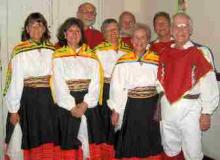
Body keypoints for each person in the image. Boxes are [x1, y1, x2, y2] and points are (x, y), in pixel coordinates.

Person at [157, 12, 219, 160]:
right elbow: (159, 81)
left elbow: (209, 84)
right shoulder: (165, 53)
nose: (181, 30)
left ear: (190, 30)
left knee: (193, 151)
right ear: (171, 30)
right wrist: (163, 99)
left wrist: (206, 113)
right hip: (168, 109)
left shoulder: (200, 52)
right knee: (169, 147)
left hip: (191, 109)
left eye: (185, 26)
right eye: (177, 26)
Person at [4, 12, 56, 160]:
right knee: (29, 136)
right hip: (28, 100)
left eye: (39, 26)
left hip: (48, 101)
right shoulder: (20, 50)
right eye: (32, 26)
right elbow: (14, 81)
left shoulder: (52, 50)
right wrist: (14, 110)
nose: (36, 29)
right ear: (27, 29)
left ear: (44, 28)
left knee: (48, 136)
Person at [52, 17, 105, 160]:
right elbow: (58, 82)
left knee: (89, 144)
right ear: (64, 34)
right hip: (67, 106)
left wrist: (86, 104)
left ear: (82, 34)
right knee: (70, 144)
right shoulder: (57, 56)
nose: (74, 34)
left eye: (77, 31)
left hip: (88, 105)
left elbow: (96, 82)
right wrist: (72, 107)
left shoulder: (91, 56)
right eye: (70, 31)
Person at [108, 23, 163, 159]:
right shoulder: (123, 62)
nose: (139, 41)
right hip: (132, 105)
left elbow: (162, 84)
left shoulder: (157, 60)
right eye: (136, 38)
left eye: (143, 37)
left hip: (151, 106)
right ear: (131, 41)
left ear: (148, 40)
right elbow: (117, 87)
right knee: (131, 138)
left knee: (149, 137)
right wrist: (116, 110)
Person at [94, 18, 131, 159]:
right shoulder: (97, 51)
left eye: (115, 29)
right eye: (109, 30)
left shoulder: (128, 50)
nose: (113, 33)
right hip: (106, 90)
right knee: (107, 123)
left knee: (123, 123)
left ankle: (121, 153)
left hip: (124, 92)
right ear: (103, 33)